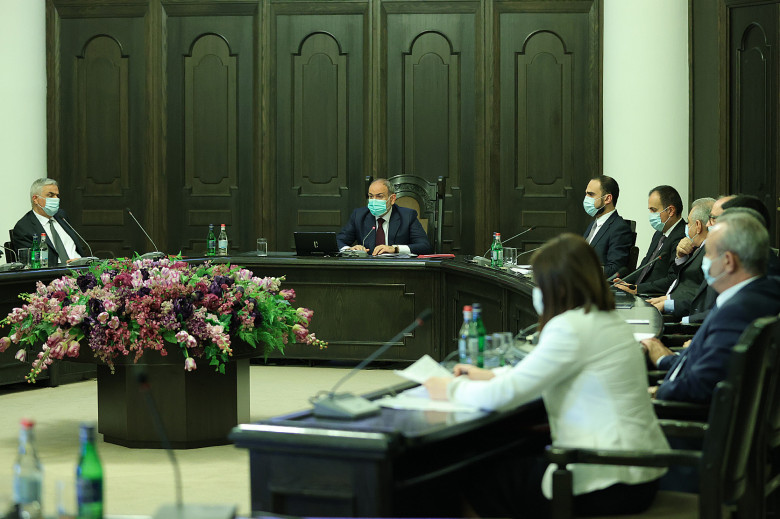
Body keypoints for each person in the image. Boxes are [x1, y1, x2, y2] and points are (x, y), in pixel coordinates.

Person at [424, 233, 668, 517]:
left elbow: (505, 395)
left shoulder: (570, 327)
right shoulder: (607, 318)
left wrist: (449, 389)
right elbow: (547, 372)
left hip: (606, 480)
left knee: (472, 481)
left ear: (557, 289)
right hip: (639, 473)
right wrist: (492, 375)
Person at [642, 212, 780, 403]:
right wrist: (665, 359)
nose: (704, 261)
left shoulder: (738, 311)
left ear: (728, 261)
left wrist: (655, 393)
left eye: (708, 254)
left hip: (679, 413)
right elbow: (710, 361)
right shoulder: (755, 294)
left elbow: (701, 384)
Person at [613, 185, 686, 295]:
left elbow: (672, 279)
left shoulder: (682, 236)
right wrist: (625, 282)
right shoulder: (658, 234)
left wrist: (638, 289)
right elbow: (645, 266)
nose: (651, 214)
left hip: (653, 297)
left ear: (670, 211)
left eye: (654, 210)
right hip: (640, 293)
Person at [645, 197, 714, 313]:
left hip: (681, 314)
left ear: (698, 226)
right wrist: (680, 258)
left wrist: (667, 303)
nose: (686, 227)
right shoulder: (694, 248)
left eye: (689, 223)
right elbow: (684, 281)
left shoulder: (710, 253)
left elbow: (699, 294)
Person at [337, 178, 432, 256]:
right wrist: (350, 249)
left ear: (392, 199)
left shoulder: (407, 216)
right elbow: (338, 241)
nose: (374, 201)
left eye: (379, 196)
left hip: (398, 268)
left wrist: (395, 249)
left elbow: (424, 246)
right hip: (367, 268)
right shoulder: (359, 215)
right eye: (371, 196)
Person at [12, 178, 85, 266]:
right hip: (55, 272)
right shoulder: (24, 227)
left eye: (57, 195)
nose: (56, 199)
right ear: (35, 199)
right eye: (50, 195)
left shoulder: (61, 216)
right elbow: (32, 264)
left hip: (82, 269)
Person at [581, 175, 633, 278]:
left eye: (591, 194)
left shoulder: (620, 228)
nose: (586, 198)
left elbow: (615, 269)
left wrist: (582, 271)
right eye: (586, 194)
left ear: (607, 198)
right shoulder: (593, 224)